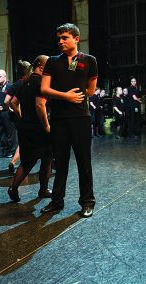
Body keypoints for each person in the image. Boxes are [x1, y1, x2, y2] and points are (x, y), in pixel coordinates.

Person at [40, 23, 98, 218]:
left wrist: (78, 98)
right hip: (59, 119)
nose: (60, 41)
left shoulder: (90, 61)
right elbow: (44, 90)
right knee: (60, 162)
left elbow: (90, 89)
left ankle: (87, 202)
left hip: (81, 118)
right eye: (58, 38)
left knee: (84, 162)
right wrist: (67, 96)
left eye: (64, 37)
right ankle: (56, 201)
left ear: (76, 39)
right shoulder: (52, 62)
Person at [7, 55, 52, 202]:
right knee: (46, 159)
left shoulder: (23, 82)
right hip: (38, 128)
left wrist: (21, 118)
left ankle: (13, 188)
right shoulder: (40, 83)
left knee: (26, 162)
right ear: (40, 66)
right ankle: (43, 190)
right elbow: (40, 106)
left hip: (25, 127)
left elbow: (13, 103)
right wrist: (46, 126)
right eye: (47, 66)